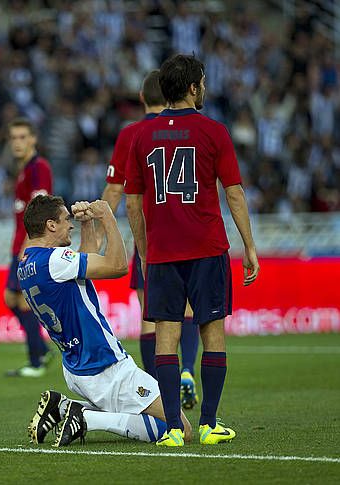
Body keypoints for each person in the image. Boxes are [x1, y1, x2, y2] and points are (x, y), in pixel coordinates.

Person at [125, 54, 260, 446]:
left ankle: (172, 430)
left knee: (165, 337)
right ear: (192, 88)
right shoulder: (213, 131)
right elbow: (233, 193)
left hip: (164, 253)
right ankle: (208, 423)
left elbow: (133, 203)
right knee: (211, 332)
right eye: (201, 81)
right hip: (207, 248)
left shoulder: (141, 136)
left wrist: (146, 253)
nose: (203, 86)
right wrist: (249, 246)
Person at [20, 195, 192, 447]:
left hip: (76, 368)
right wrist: (107, 216)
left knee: (147, 417)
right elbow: (118, 266)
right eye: (66, 220)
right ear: (50, 225)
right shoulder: (54, 260)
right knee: (179, 428)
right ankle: (86, 418)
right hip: (105, 366)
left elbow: (85, 266)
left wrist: (87, 224)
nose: (70, 225)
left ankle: (65, 407)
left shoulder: (27, 264)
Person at [103, 69, 200, 409]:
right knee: (187, 309)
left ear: (142, 98)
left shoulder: (133, 134)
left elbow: (116, 190)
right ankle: (187, 369)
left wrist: (99, 229)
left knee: (151, 314)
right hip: (191, 235)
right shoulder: (190, 129)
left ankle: (159, 389)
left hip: (152, 239)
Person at [4, 118, 55, 377]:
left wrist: (28, 249)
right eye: (13, 137)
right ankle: (42, 350)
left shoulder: (38, 168)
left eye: (23, 137)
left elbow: (40, 210)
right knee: (11, 298)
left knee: (22, 300)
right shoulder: (24, 169)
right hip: (19, 245)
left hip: (27, 247)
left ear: (33, 139)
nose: (17, 142)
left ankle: (36, 361)